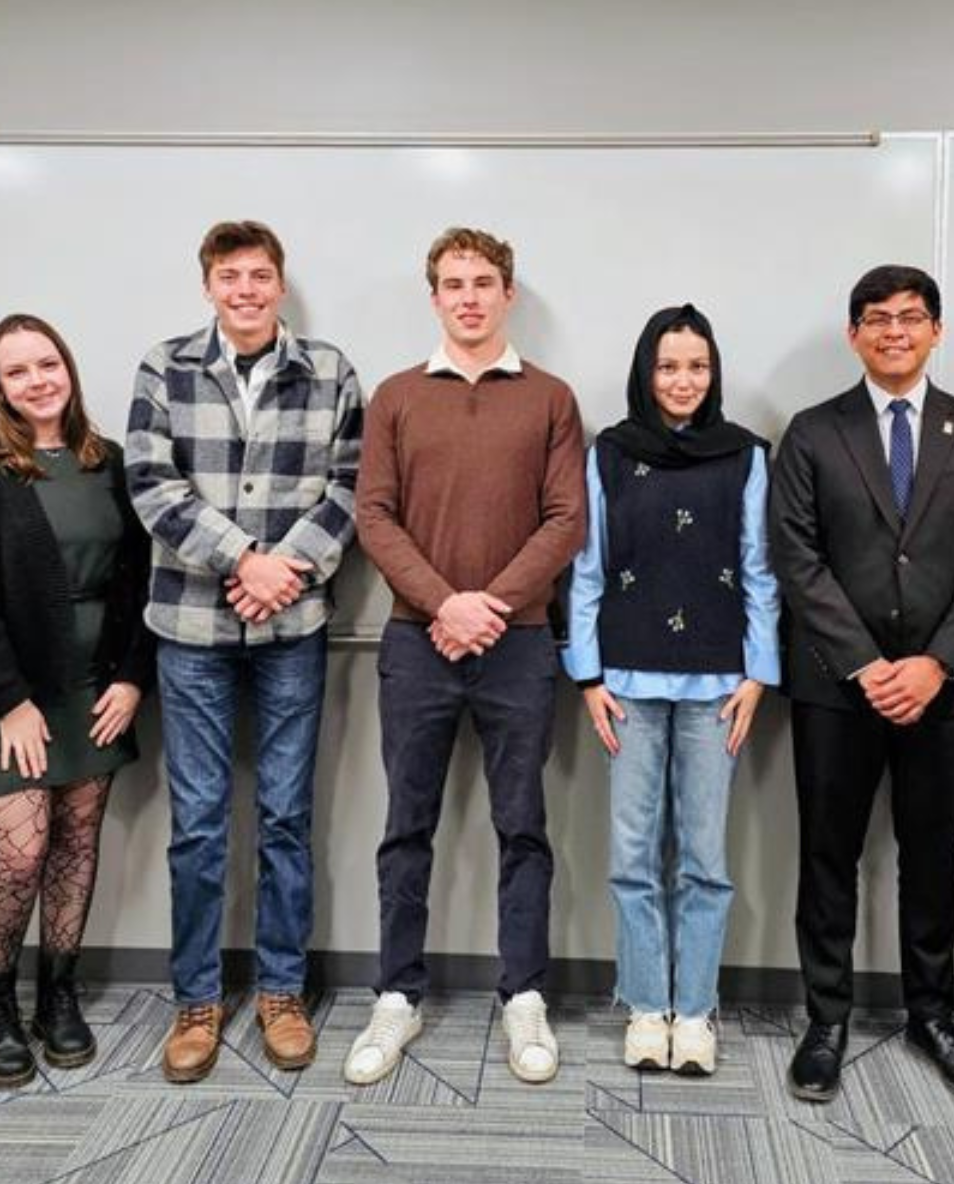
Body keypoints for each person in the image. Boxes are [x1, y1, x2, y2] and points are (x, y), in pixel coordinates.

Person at [769, 264, 954, 1106]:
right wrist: (867, 663)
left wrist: (936, 662)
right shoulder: (812, 432)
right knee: (828, 857)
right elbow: (797, 558)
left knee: (932, 861)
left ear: (937, 331)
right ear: (853, 334)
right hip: (838, 690)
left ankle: (933, 1016)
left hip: (948, 690)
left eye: (911, 318)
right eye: (876, 319)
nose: (894, 332)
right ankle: (827, 1018)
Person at [344, 227, 586, 1087]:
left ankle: (523, 996)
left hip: (519, 648)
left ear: (509, 294)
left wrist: (488, 606)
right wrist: (446, 603)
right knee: (406, 827)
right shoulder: (397, 397)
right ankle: (396, 997)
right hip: (418, 644)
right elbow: (374, 516)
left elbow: (566, 520)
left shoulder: (551, 398)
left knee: (523, 827)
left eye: (485, 282)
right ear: (435, 296)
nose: (470, 297)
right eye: (453, 283)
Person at [127, 220, 364, 1081]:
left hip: (291, 628)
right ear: (208, 285)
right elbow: (151, 484)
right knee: (194, 824)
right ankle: (195, 998)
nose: (247, 290)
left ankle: (280, 992)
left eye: (261, 275)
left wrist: (285, 572)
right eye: (231, 276)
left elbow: (352, 485)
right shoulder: (165, 366)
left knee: (285, 818)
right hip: (191, 629)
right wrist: (245, 560)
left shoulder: (331, 371)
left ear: (280, 283)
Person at [0, 313, 155, 1087]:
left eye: (47, 364)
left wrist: (130, 678)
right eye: (17, 371)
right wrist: (10, 701)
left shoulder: (109, 461)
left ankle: (58, 993)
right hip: (9, 692)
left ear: (69, 369)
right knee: (20, 853)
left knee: (77, 843)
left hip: (98, 686)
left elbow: (142, 581)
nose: (37, 381)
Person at [563, 304, 777, 1076]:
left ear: (712, 372)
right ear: (644, 372)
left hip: (719, 685)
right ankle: (646, 1006)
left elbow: (759, 571)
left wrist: (760, 674)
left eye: (697, 366)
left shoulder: (747, 455)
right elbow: (587, 569)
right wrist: (586, 675)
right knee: (631, 855)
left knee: (704, 859)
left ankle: (696, 1012)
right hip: (625, 682)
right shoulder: (610, 454)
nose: (683, 381)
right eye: (667, 366)